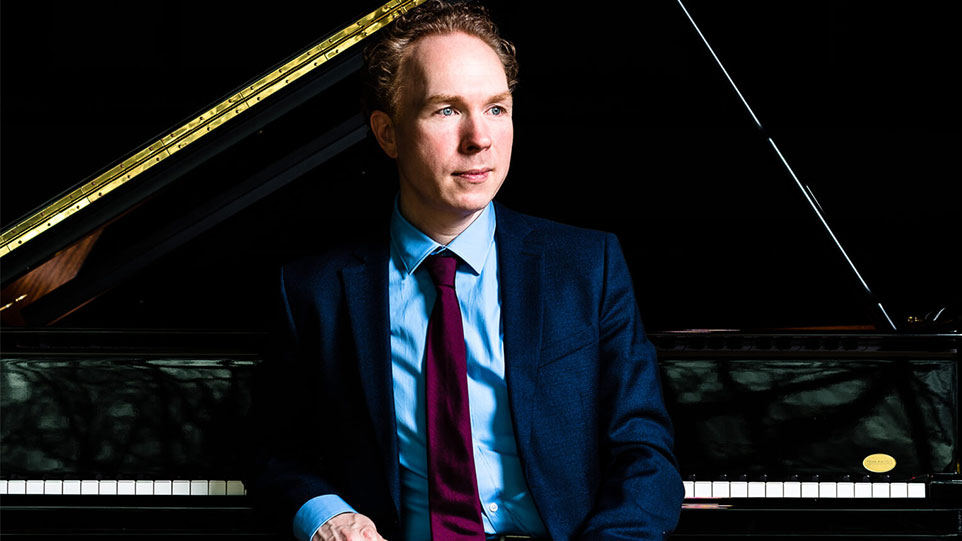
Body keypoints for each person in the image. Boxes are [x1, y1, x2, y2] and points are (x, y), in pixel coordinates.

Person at [250, 1, 683, 540]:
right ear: (387, 133)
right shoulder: (312, 290)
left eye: (496, 108)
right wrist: (327, 517)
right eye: (446, 110)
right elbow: (273, 451)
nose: (480, 138)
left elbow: (645, 454)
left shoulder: (587, 266)